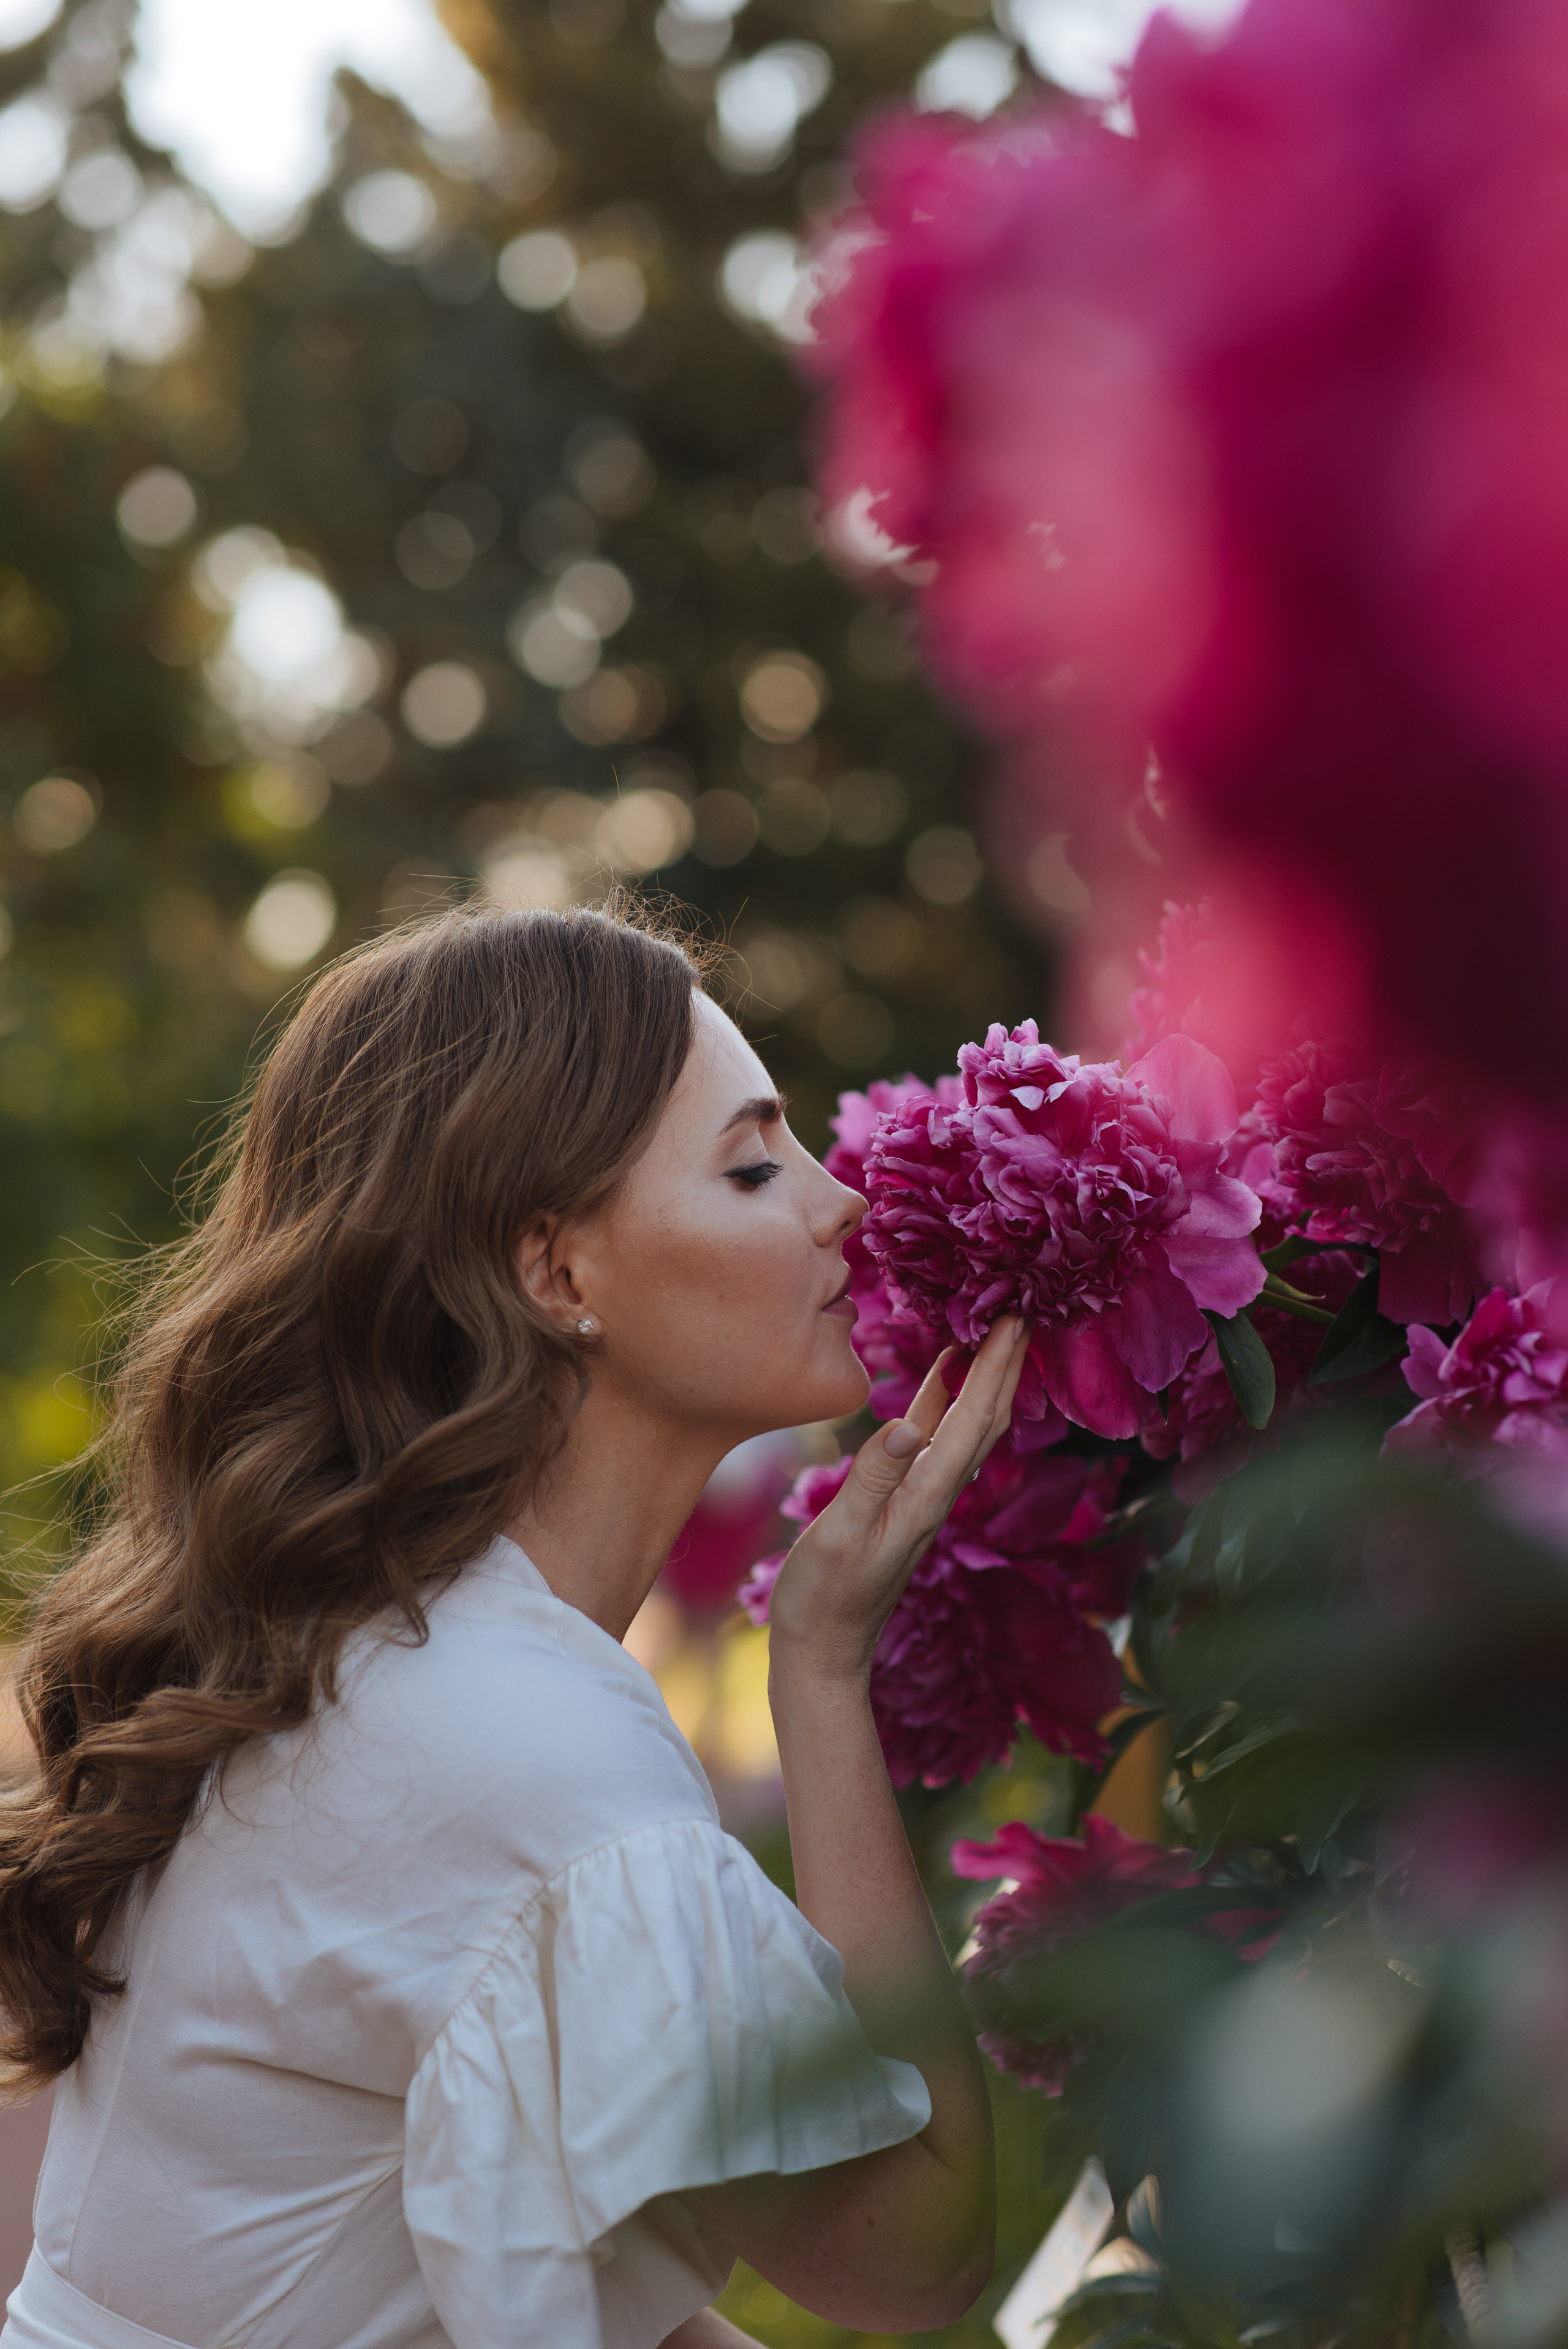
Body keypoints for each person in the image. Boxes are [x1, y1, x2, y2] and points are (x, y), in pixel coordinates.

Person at [0, 903, 1028, 2349]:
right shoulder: (520, 1748)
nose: (836, 1199)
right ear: (555, 1276)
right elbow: (910, 2257)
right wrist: (821, 1664)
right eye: (749, 1164)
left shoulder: (373, 1645)